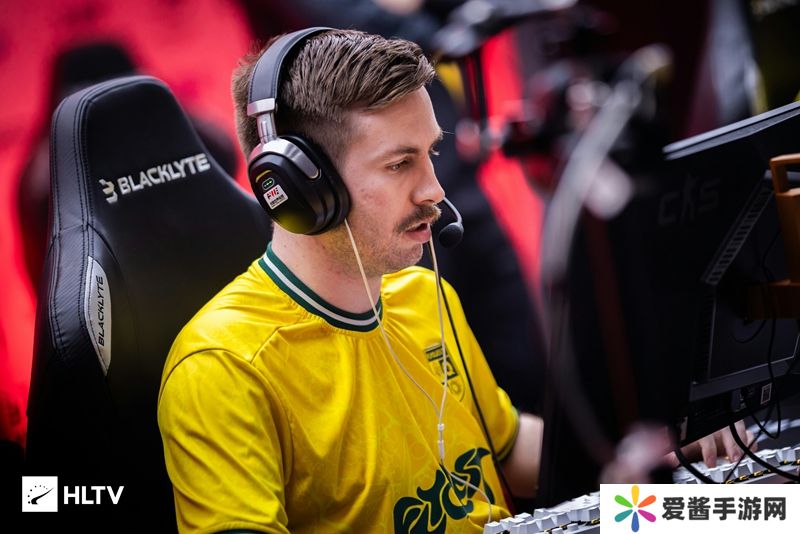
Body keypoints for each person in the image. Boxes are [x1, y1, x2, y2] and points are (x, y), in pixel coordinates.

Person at [157, 28, 541, 533]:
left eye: (431, 154)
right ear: (300, 186)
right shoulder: (225, 366)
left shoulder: (427, 296)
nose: (434, 190)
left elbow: (512, 452)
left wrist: (642, 490)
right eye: (400, 164)